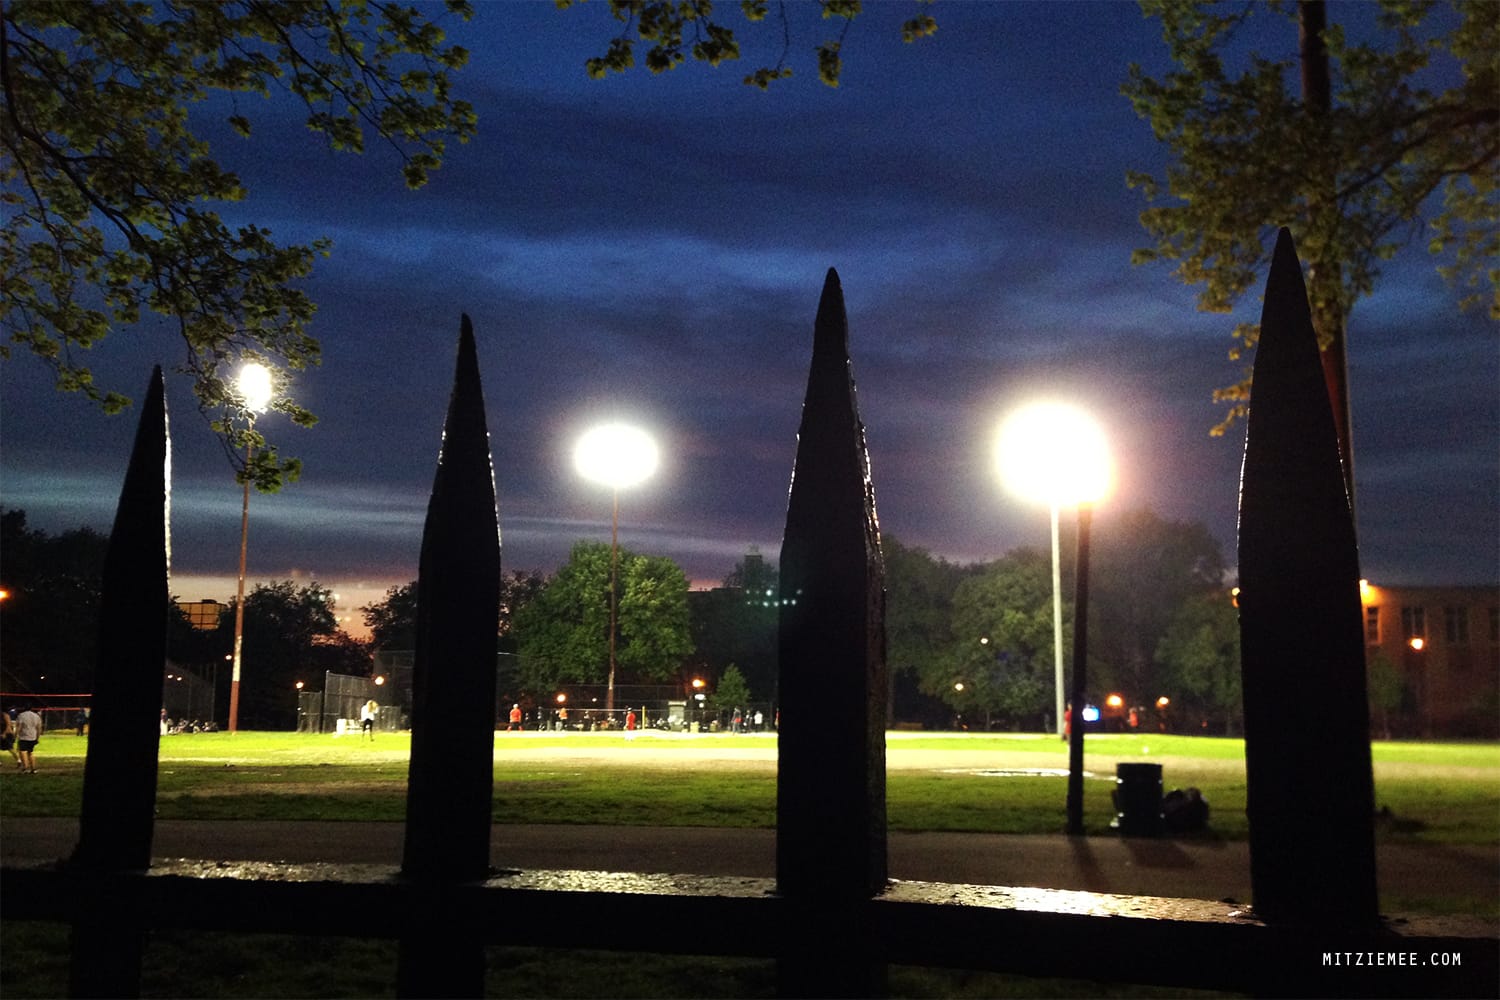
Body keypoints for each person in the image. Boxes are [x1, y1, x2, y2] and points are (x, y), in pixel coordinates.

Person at [16, 703, 43, 774]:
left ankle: (25, 768)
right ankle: (33, 768)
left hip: (24, 736)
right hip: (33, 736)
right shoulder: (36, 716)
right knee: (30, 752)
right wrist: (37, 737)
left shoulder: (21, 715)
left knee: (23, 752)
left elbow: (19, 726)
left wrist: (16, 735)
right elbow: (39, 728)